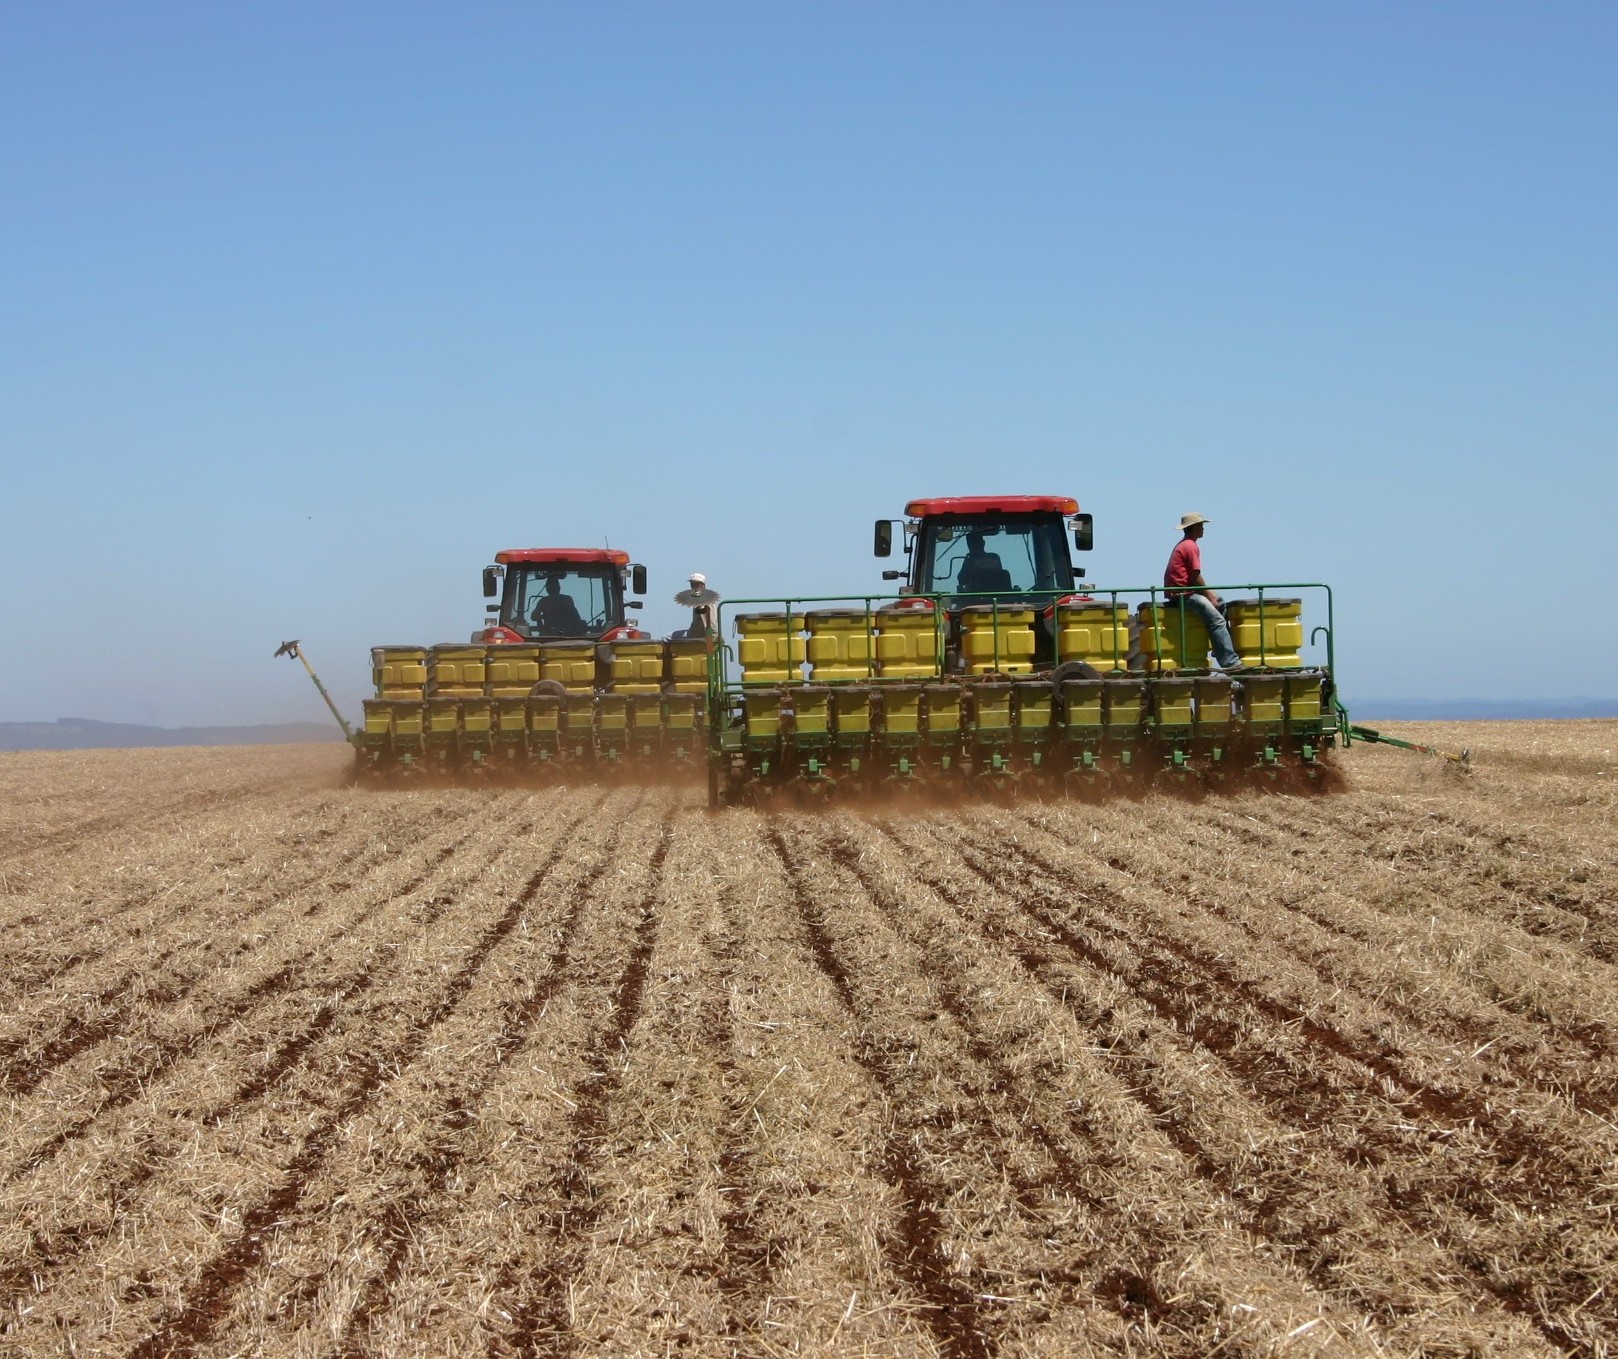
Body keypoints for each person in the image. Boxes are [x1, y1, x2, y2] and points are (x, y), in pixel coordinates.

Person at [1164, 513, 1244, 671]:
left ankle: (1219, 647)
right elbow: (1195, 576)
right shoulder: (1190, 546)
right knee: (1218, 621)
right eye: (1201, 526)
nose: (1203, 529)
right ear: (1194, 528)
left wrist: (1212, 597)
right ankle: (1231, 663)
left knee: (1221, 602)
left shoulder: (1184, 544)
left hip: (1184, 591)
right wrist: (1208, 595)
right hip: (1183, 595)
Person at [673, 572, 720, 638]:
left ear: (703, 585)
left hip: (698, 635)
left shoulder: (701, 600)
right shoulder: (711, 599)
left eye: (696, 584)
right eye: (692, 584)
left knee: (666, 637)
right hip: (710, 634)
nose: (693, 586)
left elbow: (705, 626)